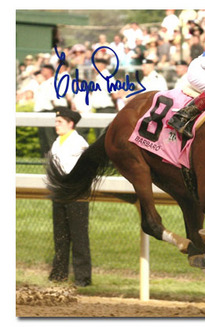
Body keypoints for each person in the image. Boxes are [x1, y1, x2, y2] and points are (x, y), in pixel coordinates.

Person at [48, 107, 91, 287]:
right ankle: (59, 274)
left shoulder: (79, 143)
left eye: (60, 122)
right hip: (59, 193)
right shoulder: (57, 142)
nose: (56, 125)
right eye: (56, 121)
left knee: (79, 236)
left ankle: (83, 278)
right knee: (60, 235)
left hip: (76, 195)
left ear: (70, 123)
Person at [91, 57, 118, 138]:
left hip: (106, 110)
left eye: (95, 65)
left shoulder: (107, 77)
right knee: (98, 136)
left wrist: (115, 105)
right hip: (99, 111)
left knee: (103, 137)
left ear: (101, 65)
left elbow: (114, 94)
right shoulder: (99, 77)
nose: (93, 67)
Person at [33, 64, 57, 157]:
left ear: (50, 71)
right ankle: (45, 156)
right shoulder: (45, 83)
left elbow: (54, 100)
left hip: (49, 111)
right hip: (41, 112)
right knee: (43, 136)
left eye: (44, 70)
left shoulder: (52, 82)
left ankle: (52, 156)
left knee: (49, 136)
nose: (42, 72)